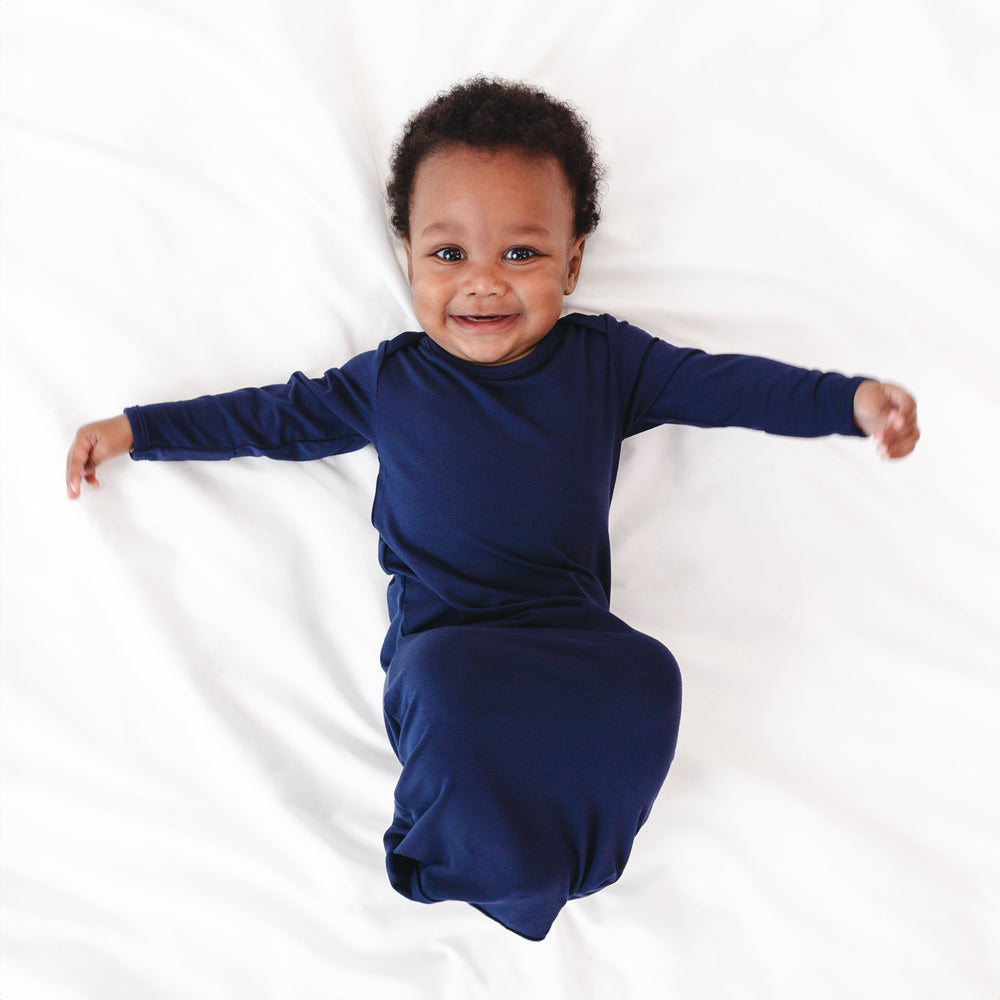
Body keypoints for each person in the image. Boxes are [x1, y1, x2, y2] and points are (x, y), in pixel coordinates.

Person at [65, 77, 919, 940]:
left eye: (521, 254)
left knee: (651, 675)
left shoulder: (607, 363)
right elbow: (267, 418)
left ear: (573, 261)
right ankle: (457, 860)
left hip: (567, 634)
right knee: (444, 694)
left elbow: (728, 384)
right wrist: (136, 430)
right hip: (449, 644)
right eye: (448, 255)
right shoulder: (390, 380)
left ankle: (571, 854)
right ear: (407, 257)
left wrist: (849, 404)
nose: (483, 285)